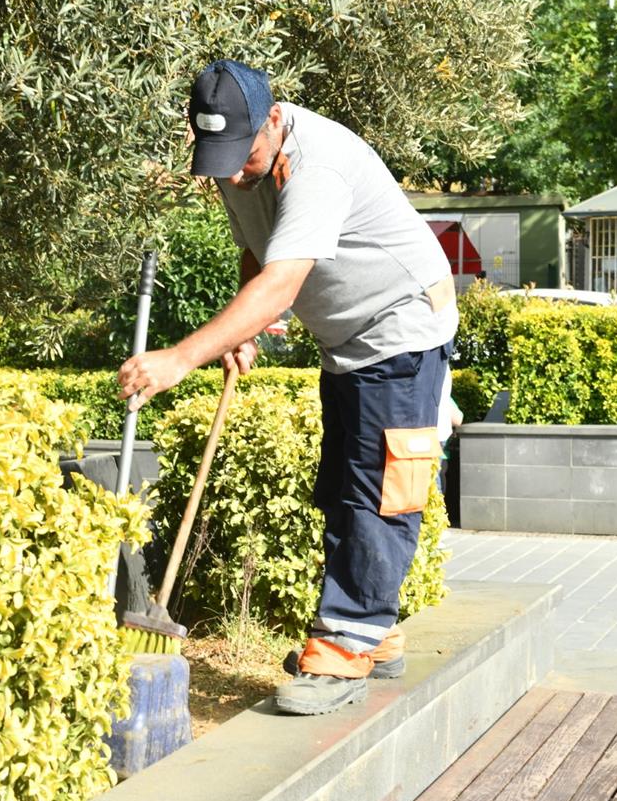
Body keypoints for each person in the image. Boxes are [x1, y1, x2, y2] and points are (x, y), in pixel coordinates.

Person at [117, 59, 458, 715]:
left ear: (274, 118)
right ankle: (373, 633)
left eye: (241, 155)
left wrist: (184, 356)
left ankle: (343, 652)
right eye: (217, 158)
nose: (233, 173)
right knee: (339, 485)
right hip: (346, 341)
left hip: (403, 327)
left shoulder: (317, 164)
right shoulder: (234, 157)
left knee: (380, 490)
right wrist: (244, 328)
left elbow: (284, 281)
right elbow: (259, 253)